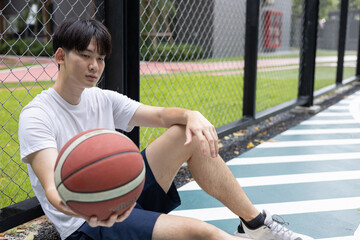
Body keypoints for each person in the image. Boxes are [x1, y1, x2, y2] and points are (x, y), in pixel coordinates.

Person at [18, 18, 313, 240]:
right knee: (203, 233)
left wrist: (192, 115)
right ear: (60, 57)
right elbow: (54, 192)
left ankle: (255, 224)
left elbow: (160, 116)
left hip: (123, 194)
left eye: (101, 58)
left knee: (186, 135)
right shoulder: (37, 115)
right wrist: (93, 210)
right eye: (85, 55)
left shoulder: (101, 98)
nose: (94, 65)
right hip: (87, 225)